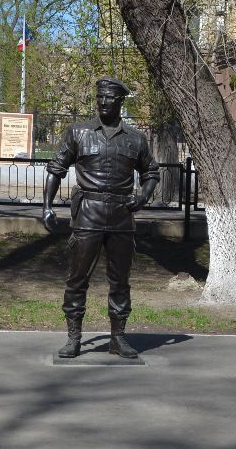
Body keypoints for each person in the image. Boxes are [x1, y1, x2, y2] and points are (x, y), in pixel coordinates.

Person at [42, 78, 160, 359]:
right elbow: (56, 169)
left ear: (120, 102)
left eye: (109, 98)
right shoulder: (78, 132)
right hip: (88, 215)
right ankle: (73, 338)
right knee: (77, 279)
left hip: (122, 216)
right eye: (99, 97)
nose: (103, 102)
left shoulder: (135, 138)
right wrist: (47, 206)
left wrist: (142, 197)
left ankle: (118, 338)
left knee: (120, 281)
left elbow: (151, 173)